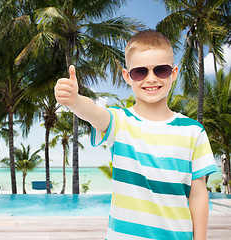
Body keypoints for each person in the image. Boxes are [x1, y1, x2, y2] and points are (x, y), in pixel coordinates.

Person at [54, 29, 217, 240]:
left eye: (161, 70)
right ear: (127, 76)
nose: (151, 79)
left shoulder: (193, 131)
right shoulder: (120, 122)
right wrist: (75, 101)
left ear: (173, 73)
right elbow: (94, 113)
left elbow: (198, 195)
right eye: (140, 72)